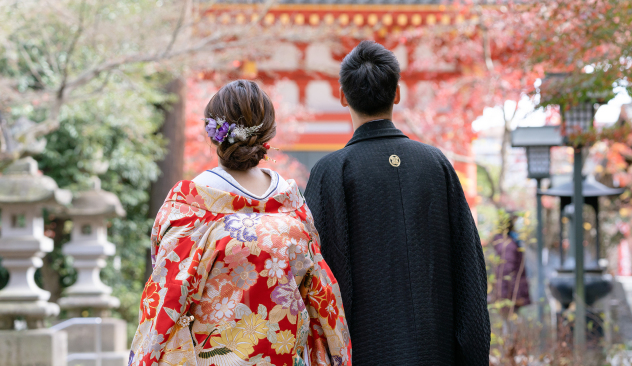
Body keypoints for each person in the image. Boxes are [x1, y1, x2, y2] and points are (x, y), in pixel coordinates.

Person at [129, 80, 351, 366]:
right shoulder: (293, 206)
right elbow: (320, 295)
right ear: (267, 134)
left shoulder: (190, 206)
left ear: (213, 134)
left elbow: (167, 294)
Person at [304, 41, 491, 366]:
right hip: (438, 350)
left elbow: (318, 277)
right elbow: (469, 268)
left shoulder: (332, 171)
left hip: (365, 349)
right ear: (397, 94)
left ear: (343, 97)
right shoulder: (437, 164)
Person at [489, 212, 531, 319]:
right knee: (509, 327)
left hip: (509, 296)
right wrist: (514, 297)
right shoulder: (508, 246)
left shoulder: (509, 242)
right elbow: (506, 272)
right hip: (509, 297)